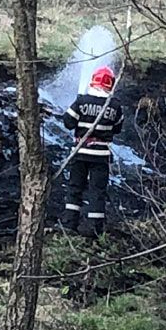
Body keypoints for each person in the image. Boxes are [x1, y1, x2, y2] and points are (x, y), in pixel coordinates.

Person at [61, 65, 124, 236]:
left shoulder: (81, 101)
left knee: (75, 187)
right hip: (101, 155)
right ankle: (95, 229)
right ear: (110, 84)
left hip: (80, 152)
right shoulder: (115, 105)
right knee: (97, 191)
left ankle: (69, 224)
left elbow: (67, 121)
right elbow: (117, 128)